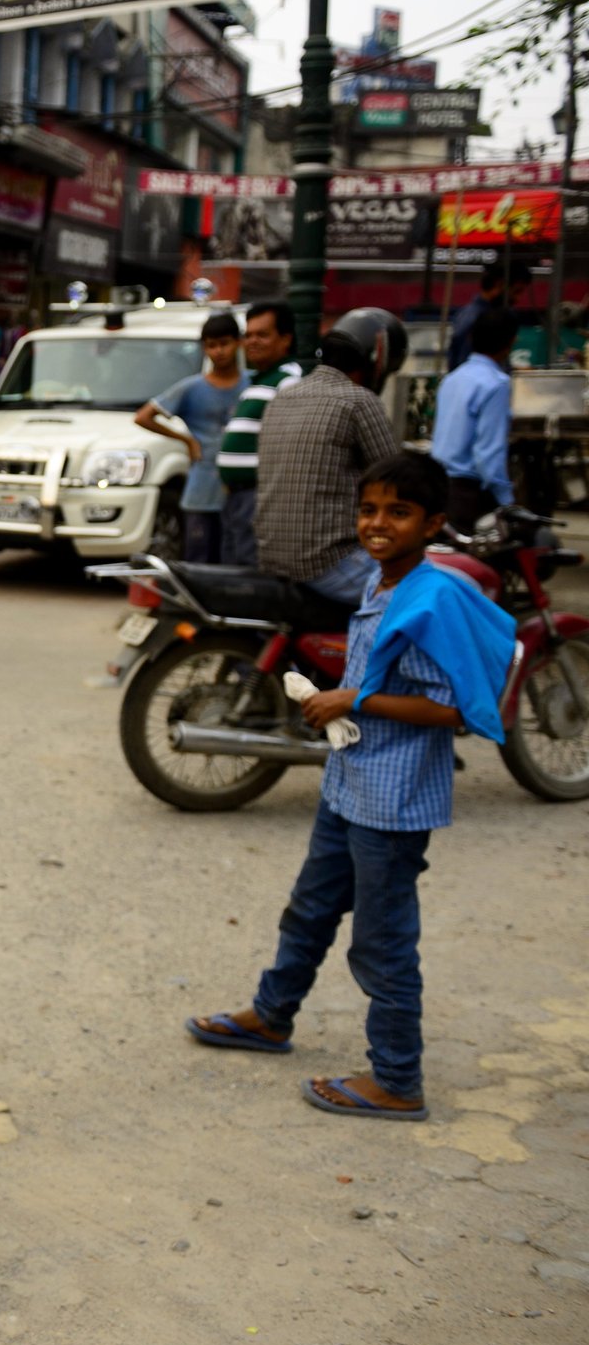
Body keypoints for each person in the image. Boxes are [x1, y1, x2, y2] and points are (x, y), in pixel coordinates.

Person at [185, 451, 515, 1121]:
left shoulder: (432, 596)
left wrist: (353, 701)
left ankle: (397, 1080)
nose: (378, 523)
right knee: (309, 907)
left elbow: (454, 710)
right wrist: (349, 701)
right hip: (351, 784)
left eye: (398, 512)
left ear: (433, 524)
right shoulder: (380, 582)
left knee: (382, 941)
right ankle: (271, 1017)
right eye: (368, 509)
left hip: (393, 803)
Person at [255, 309, 404, 604]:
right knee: (437, 595)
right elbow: (399, 481)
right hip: (328, 563)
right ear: (379, 360)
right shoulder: (359, 401)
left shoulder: (283, 398)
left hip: (272, 559)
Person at [134, 311, 248, 563]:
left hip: (242, 492)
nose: (219, 351)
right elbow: (143, 417)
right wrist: (187, 441)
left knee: (237, 561)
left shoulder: (253, 384)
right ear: (204, 348)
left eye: (225, 343)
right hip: (201, 491)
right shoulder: (192, 387)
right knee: (198, 559)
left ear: (238, 342)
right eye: (212, 346)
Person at [216, 301, 302, 566]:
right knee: (231, 571)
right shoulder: (259, 381)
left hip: (258, 498)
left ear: (285, 340)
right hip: (237, 497)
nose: (252, 341)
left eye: (262, 335)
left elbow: (289, 446)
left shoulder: (288, 381)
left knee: (247, 575)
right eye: (249, 335)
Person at [430, 308, 519, 533]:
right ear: (511, 342)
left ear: (471, 338)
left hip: (438, 487)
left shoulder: (452, 379)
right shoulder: (496, 384)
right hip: (469, 495)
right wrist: (507, 502)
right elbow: (488, 453)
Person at [446, 262, 530, 371]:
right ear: (499, 284)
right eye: (516, 291)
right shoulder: (474, 317)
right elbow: (466, 367)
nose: (518, 299)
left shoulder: (491, 314)